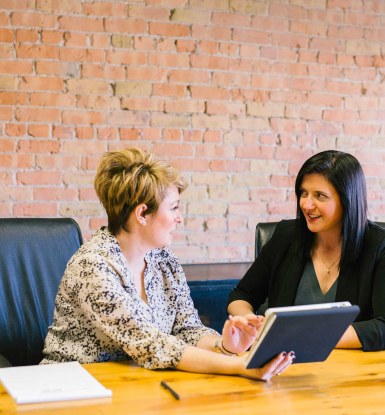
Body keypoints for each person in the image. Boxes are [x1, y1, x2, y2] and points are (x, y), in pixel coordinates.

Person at [41, 147, 294, 381]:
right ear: (142, 214)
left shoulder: (164, 260)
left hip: (136, 385)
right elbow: (151, 344)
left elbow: (188, 329)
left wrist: (225, 346)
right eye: (173, 208)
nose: (179, 218)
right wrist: (240, 366)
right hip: (71, 387)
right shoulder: (93, 266)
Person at [228, 150, 385, 351]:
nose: (306, 204)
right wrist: (248, 321)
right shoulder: (286, 236)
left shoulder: (379, 246)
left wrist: (305, 336)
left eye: (319, 196)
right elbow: (241, 295)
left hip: (352, 371)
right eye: (303, 193)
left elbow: (382, 327)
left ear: (347, 200)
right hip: (283, 366)